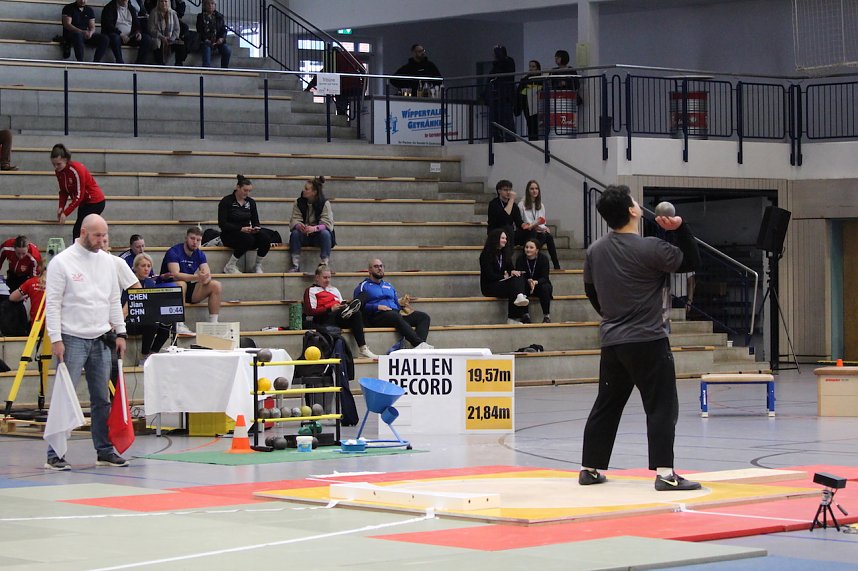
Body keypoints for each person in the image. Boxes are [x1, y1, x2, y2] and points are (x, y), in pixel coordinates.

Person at [579, 185, 701, 491]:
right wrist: (681, 227)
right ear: (633, 211)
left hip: (612, 341)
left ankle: (590, 469)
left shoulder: (595, 251)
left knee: (606, 404)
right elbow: (691, 260)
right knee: (661, 406)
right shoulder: (651, 248)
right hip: (649, 339)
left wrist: (613, 316)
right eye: (635, 201)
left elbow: (591, 292)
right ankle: (665, 474)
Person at [43, 214, 128, 470]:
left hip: (101, 337)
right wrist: (55, 339)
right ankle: (54, 453)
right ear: (83, 232)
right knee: (64, 396)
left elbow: (114, 299)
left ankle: (104, 450)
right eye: (97, 236)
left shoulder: (108, 262)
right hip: (71, 338)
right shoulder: (62, 262)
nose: (102, 241)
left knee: (102, 398)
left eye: (105, 236)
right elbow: (53, 304)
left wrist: (121, 332)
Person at [354, 258, 433, 351]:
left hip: (394, 314)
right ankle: (418, 343)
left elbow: (396, 303)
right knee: (393, 315)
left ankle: (418, 349)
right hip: (376, 316)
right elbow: (357, 306)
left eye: (381, 266)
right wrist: (376, 307)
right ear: (369, 270)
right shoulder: (363, 286)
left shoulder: (389, 285)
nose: (379, 268)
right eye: (376, 266)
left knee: (423, 317)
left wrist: (403, 305)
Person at [304, 264, 378, 360]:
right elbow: (310, 311)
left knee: (363, 297)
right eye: (325, 277)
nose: (328, 280)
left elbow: (340, 303)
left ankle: (350, 310)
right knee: (355, 313)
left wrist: (343, 306)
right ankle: (349, 312)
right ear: (317, 278)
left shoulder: (334, 290)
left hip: (339, 316)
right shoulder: (311, 290)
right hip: (325, 317)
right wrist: (330, 309)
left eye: (329, 277)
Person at [160, 227, 222, 336]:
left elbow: (207, 273)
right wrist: (197, 277)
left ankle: (214, 324)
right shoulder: (173, 251)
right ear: (186, 238)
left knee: (215, 285)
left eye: (198, 240)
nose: (195, 242)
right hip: (167, 288)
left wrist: (205, 277)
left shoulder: (199, 253)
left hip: (187, 288)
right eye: (192, 238)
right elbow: (175, 275)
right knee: (181, 284)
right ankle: (178, 323)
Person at [51, 144, 107, 242]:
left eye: (58, 164)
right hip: (84, 203)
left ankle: (84, 252)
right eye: (54, 164)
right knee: (80, 230)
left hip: (94, 201)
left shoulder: (76, 170)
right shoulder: (59, 171)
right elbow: (63, 191)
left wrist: (66, 212)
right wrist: (61, 207)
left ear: (66, 160)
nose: (56, 167)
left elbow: (79, 195)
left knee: (79, 230)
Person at [125, 253, 173, 365]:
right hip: (130, 320)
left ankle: (152, 355)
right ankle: (144, 355)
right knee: (152, 324)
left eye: (148, 266)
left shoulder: (150, 283)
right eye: (143, 266)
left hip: (146, 318)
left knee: (166, 325)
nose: (146, 269)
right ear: (135, 267)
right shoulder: (128, 281)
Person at [219, 174, 269, 274]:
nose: (247, 193)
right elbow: (222, 224)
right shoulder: (226, 201)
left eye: (249, 191)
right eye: (245, 190)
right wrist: (240, 229)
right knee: (248, 239)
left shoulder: (251, 202)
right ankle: (230, 265)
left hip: (246, 232)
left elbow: (256, 221)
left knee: (265, 237)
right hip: (229, 234)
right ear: (237, 187)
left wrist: (255, 228)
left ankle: (257, 266)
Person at [479, 229, 530, 324]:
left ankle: (516, 311)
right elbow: (489, 275)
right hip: (489, 286)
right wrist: (504, 276)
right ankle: (514, 315)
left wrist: (513, 271)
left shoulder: (504, 253)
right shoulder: (485, 255)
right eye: (503, 238)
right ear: (495, 239)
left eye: (506, 238)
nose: (505, 240)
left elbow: (510, 268)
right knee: (514, 286)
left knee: (519, 276)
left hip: (502, 282)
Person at [289, 176, 334, 273]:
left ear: (314, 192)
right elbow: (294, 219)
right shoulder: (299, 202)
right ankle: (295, 264)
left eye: (306, 189)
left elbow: (327, 223)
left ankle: (324, 264)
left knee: (325, 234)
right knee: (295, 234)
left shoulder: (324, 203)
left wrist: (314, 228)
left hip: (318, 234)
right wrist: (299, 225)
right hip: (304, 234)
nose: (303, 190)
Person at [519, 180, 561, 269]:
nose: (534, 191)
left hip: (537, 230)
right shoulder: (521, 204)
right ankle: (528, 257)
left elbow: (542, 222)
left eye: (536, 188)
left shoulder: (541, 205)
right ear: (528, 191)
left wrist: (544, 228)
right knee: (535, 234)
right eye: (532, 189)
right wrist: (535, 226)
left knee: (548, 236)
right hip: (526, 232)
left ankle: (556, 265)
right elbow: (521, 223)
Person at [101, 0, 154, 64]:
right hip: (117, 35)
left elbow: (136, 24)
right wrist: (121, 34)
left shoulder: (131, 8)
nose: (125, 2)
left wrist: (138, 32)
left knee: (147, 39)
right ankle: (119, 61)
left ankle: (139, 63)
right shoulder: (109, 8)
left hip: (130, 36)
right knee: (114, 37)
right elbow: (108, 25)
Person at [515, 239, 553, 323]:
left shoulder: (543, 259)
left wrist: (535, 282)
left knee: (545, 287)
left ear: (537, 250)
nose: (528, 249)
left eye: (531, 247)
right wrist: (528, 281)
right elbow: (519, 275)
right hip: (526, 284)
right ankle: (525, 315)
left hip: (539, 284)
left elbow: (545, 277)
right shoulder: (520, 259)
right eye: (526, 247)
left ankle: (546, 316)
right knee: (520, 287)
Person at [487, 44, 516, 142]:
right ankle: (497, 139)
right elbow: (489, 79)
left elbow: (503, 64)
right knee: (495, 120)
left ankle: (510, 139)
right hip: (495, 97)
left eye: (495, 53)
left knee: (507, 120)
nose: (493, 55)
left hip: (505, 96)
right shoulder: (494, 67)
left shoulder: (508, 62)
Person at [9, 260, 47, 333]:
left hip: (36, 327)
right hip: (55, 328)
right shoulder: (59, 284)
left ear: (39, 268)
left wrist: (26, 295)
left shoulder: (31, 282)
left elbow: (12, 297)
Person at [486, 179, 524, 249]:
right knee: (508, 227)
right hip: (496, 232)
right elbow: (504, 219)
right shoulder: (494, 203)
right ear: (499, 191)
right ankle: (508, 257)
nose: (508, 192)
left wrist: (528, 226)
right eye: (505, 190)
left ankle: (530, 255)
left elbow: (518, 222)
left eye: (510, 190)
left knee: (532, 232)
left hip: (510, 234)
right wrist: (512, 200)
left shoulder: (514, 205)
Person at [149, 0, 186, 66]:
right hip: (159, 37)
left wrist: (172, 38)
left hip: (170, 38)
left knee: (181, 45)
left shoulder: (173, 13)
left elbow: (177, 29)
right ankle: (160, 63)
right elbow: (151, 29)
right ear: (158, 2)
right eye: (161, 1)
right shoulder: (153, 13)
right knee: (157, 42)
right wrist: (162, 37)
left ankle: (178, 63)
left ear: (169, 2)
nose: (164, 3)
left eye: (166, 1)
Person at [196, 0, 231, 68]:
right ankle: (206, 70)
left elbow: (223, 30)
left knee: (227, 51)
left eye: (212, 4)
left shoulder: (219, 16)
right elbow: (199, 31)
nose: (210, 6)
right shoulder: (200, 17)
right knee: (207, 50)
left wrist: (221, 38)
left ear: (215, 5)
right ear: (205, 5)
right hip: (206, 41)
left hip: (217, 41)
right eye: (208, 4)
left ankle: (224, 69)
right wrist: (205, 39)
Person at [515, 60, 543, 141]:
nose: (531, 69)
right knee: (530, 124)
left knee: (539, 125)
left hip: (539, 105)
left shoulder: (542, 79)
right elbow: (520, 92)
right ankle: (532, 140)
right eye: (530, 66)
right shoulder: (525, 79)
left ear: (538, 69)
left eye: (533, 67)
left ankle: (539, 140)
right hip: (527, 105)